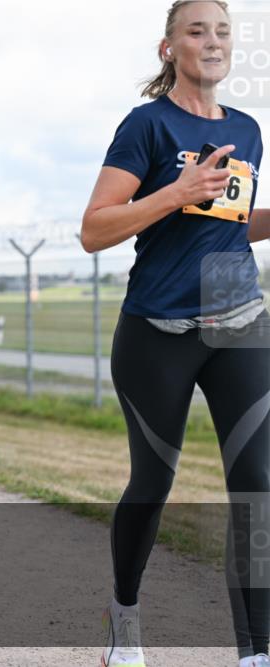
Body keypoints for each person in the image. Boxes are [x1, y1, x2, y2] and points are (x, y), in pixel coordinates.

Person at [81, 3, 269, 666]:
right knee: (151, 485)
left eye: (222, 31)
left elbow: (224, 224)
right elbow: (95, 229)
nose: (212, 40)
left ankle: (255, 651)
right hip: (157, 330)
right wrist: (175, 189)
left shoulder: (248, 130)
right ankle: (125, 621)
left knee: (257, 480)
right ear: (169, 48)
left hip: (238, 316)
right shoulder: (147, 126)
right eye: (197, 30)